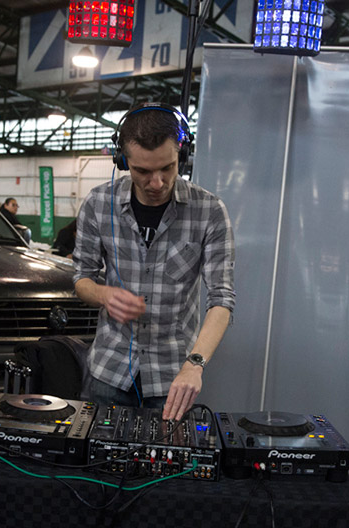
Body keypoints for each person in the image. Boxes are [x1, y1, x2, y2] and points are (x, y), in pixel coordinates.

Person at [73, 103, 235, 421]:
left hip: (172, 380)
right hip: (108, 371)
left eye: (167, 168)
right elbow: (82, 278)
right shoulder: (98, 204)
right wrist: (104, 294)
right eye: (142, 171)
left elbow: (222, 299)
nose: (157, 183)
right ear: (123, 161)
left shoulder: (210, 212)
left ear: (182, 157)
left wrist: (196, 364)